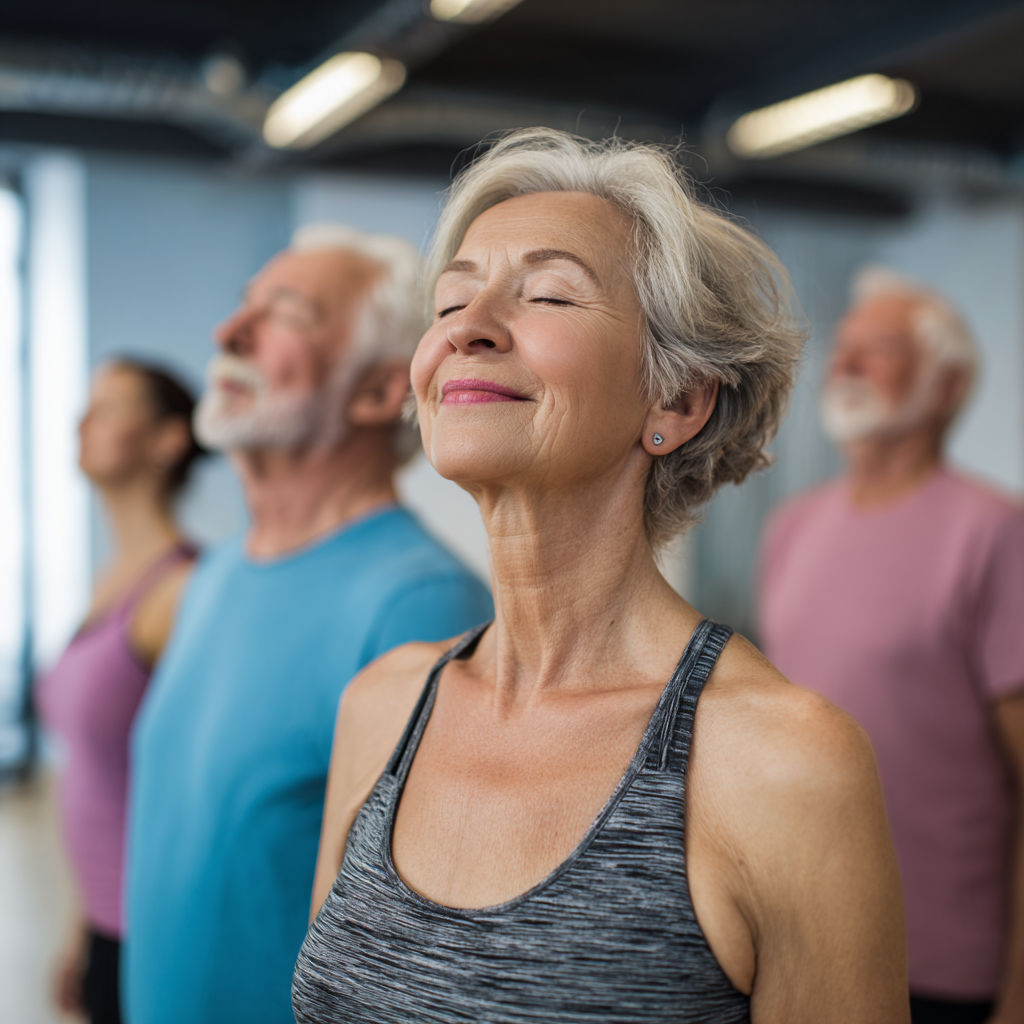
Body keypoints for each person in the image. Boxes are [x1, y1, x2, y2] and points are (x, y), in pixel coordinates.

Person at [291, 129, 909, 1024]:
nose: (467, 327)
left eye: (547, 293)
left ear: (677, 400)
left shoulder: (783, 761)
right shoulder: (382, 706)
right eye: (450, 301)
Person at [123, 223, 493, 1024]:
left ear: (375, 392)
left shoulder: (422, 608)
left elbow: (426, 953)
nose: (229, 335)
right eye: (240, 307)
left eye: (283, 313)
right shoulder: (213, 576)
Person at [758, 267, 1024, 1024]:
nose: (843, 365)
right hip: (803, 951)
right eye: (842, 348)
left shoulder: (997, 534)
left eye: (877, 349)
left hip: (946, 971)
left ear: (945, 387)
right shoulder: (792, 529)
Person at [38, 359, 203, 1024]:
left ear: (168, 440)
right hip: (104, 918)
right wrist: (79, 926)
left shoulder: (183, 592)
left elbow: (192, 793)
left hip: (155, 930)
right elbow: (96, 780)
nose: (82, 422)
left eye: (109, 407)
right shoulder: (109, 578)